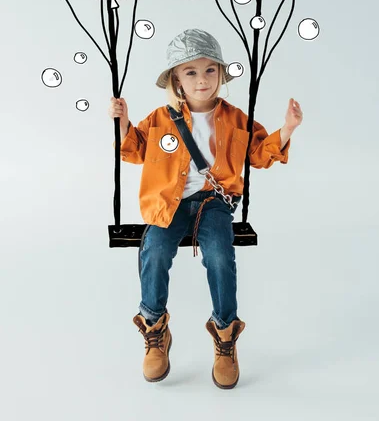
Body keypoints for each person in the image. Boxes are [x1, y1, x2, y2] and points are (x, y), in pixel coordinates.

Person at [108, 28, 303, 388]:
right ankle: (154, 330)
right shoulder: (161, 118)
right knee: (154, 250)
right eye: (191, 72)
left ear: (220, 73)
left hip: (215, 202)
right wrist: (123, 124)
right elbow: (136, 150)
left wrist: (287, 129)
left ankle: (225, 337)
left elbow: (259, 154)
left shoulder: (235, 119)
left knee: (219, 254)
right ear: (177, 79)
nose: (202, 80)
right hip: (170, 201)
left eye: (209, 70)